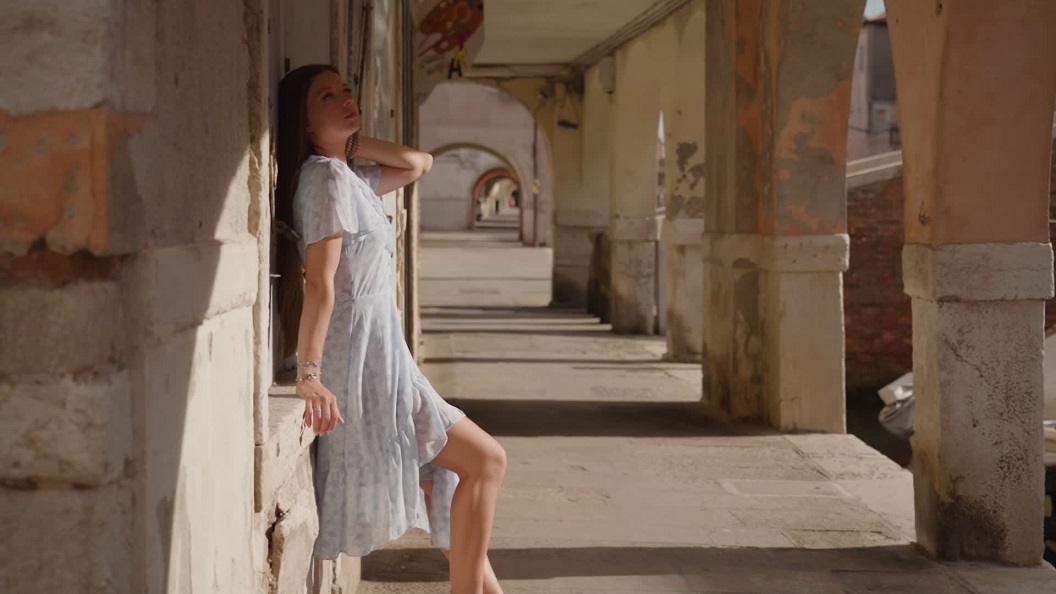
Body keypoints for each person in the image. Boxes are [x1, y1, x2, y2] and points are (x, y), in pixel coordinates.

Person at [274, 64, 507, 594]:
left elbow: (419, 163)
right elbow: (321, 283)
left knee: (445, 489)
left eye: (346, 91)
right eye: (327, 97)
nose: (346, 100)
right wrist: (310, 373)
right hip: (362, 358)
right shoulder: (326, 180)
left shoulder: (350, 175)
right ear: (304, 122)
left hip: (386, 353)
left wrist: (351, 140)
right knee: (486, 460)